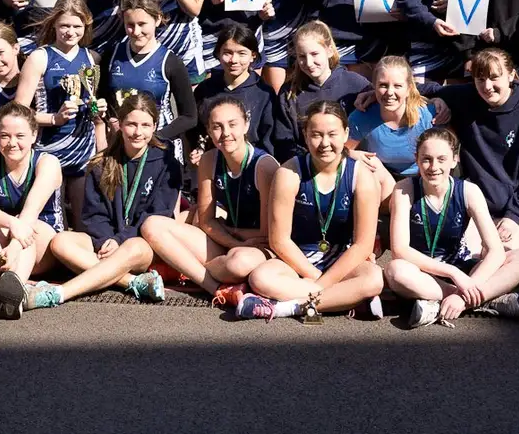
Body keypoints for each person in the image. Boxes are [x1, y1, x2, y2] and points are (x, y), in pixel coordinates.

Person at [230, 101, 384, 320]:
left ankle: (287, 308)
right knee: (261, 278)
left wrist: (323, 281)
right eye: (316, 135)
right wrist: (317, 279)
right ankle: (345, 300)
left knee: (374, 279)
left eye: (332, 134)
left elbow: (362, 245)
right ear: (305, 134)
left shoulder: (362, 177)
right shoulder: (289, 172)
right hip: (297, 262)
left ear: (345, 133)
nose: (325, 143)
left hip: (342, 260)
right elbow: (280, 240)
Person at [381, 128, 519, 328]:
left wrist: (466, 284)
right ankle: (484, 299)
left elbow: (495, 251)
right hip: (424, 274)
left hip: (464, 270)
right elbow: (400, 250)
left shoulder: (469, 191)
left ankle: (448, 304)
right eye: (426, 159)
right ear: (416, 159)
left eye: (441, 159)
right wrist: (454, 276)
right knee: (395, 270)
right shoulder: (404, 189)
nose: (433, 167)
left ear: (454, 160)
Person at [43, 93, 180, 306]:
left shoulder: (166, 162)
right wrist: (106, 241)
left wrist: (120, 240)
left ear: (154, 126)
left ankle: (60, 293)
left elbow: (158, 214)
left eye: (145, 125)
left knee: (132, 247)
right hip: (105, 243)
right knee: (61, 242)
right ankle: (131, 282)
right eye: (131, 124)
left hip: (142, 243)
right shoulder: (101, 163)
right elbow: (93, 214)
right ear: (120, 125)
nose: (138, 132)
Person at [139, 93, 276, 302]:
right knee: (152, 225)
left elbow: (268, 233)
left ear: (246, 125)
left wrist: (230, 231)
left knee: (238, 264)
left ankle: (186, 269)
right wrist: (230, 238)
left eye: (232, 125)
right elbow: (207, 220)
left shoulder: (264, 166)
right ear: (209, 131)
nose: (225, 133)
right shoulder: (209, 160)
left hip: (258, 247)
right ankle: (213, 285)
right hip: (227, 241)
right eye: (217, 127)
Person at [431, 46, 519, 253]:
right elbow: (418, 89)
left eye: (495, 78)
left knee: (506, 253)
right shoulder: (466, 96)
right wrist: (437, 100)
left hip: (515, 210)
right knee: (466, 253)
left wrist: (514, 216)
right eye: (480, 79)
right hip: (475, 207)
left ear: (511, 75)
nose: (487, 86)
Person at [0, 102, 74, 317]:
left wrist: (15, 246)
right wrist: (11, 223)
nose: (12, 143)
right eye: (5, 136)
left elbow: (30, 213)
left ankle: (13, 290)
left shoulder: (47, 163)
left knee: (28, 226)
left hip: (41, 239)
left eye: (20, 136)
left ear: (34, 135)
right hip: (5, 238)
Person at [15, 0, 100, 218]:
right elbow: (19, 112)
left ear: (86, 25)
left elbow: (91, 106)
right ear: (54, 24)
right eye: (64, 25)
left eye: (76, 26)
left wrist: (97, 109)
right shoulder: (40, 57)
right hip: (48, 147)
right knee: (54, 217)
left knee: (84, 217)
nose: (70, 32)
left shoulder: (91, 58)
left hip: (83, 147)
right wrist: (54, 119)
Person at [102, 0, 199, 153]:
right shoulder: (112, 55)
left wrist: (154, 136)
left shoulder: (170, 62)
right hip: (121, 143)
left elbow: (189, 117)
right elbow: (103, 99)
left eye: (142, 24)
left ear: (158, 19)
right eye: (130, 25)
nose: (136, 31)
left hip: (159, 147)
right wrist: (108, 119)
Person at [271, 20, 370, 157]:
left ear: (329, 51)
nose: (309, 63)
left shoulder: (356, 85)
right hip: (306, 166)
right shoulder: (289, 92)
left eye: (314, 54)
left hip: (350, 162)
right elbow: (283, 142)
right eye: (302, 56)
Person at [346, 55, 435, 186]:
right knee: (370, 165)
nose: (390, 92)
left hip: (424, 176)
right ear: (374, 86)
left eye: (398, 86)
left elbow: (448, 152)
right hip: (382, 177)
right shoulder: (363, 116)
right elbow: (339, 150)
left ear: (409, 88)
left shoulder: (427, 115)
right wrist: (353, 154)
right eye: (383, 85)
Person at [193, 21, 273, 145]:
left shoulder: (264, 93)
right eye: (227, 53)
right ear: (218, 54)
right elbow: (195, 130)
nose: (234, 60)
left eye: (242, 53)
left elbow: (269, 139)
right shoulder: (205, 90)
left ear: (253, 56)